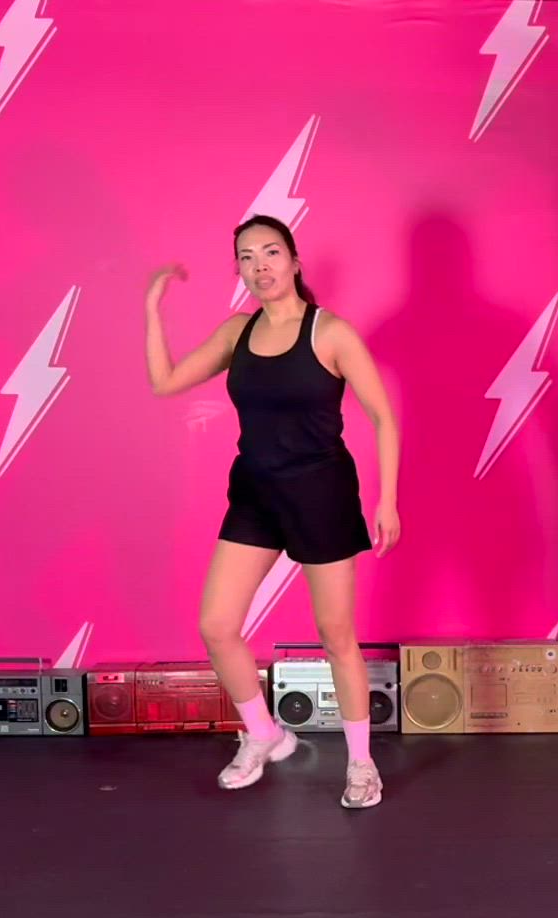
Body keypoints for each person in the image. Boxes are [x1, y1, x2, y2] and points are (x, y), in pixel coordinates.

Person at [144, 213, 402, 809]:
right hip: (256, 493)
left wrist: (387, 499)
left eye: (270, 252)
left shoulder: (331, 332)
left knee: (336, 635)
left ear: (294, 260)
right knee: (217, 626)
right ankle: (264, 734)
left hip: (321, 494)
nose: (259, 266)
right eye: (247, 256)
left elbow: (383, 417)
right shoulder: (237, 332)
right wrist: (153, 308)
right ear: (239, 269)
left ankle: (362, 764)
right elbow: (165, 381)